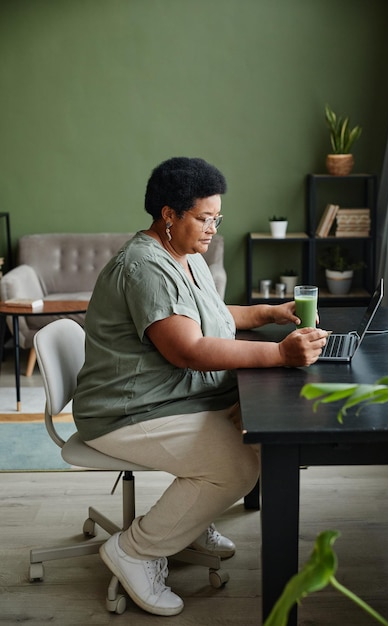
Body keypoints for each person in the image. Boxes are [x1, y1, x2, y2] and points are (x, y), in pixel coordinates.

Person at [72, 156, 328, 617]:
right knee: (236, 468)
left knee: (254, 437)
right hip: (126, 410)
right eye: (204, 218)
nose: (212, 228)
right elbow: (187, 349)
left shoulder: (186, 256)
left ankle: (185, 522)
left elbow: (213, 314)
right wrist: (278, 354)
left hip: (164, 398)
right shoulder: (146, 267)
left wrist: (269, 312)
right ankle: (135, 550)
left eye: (217, 218)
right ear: (168, 215)